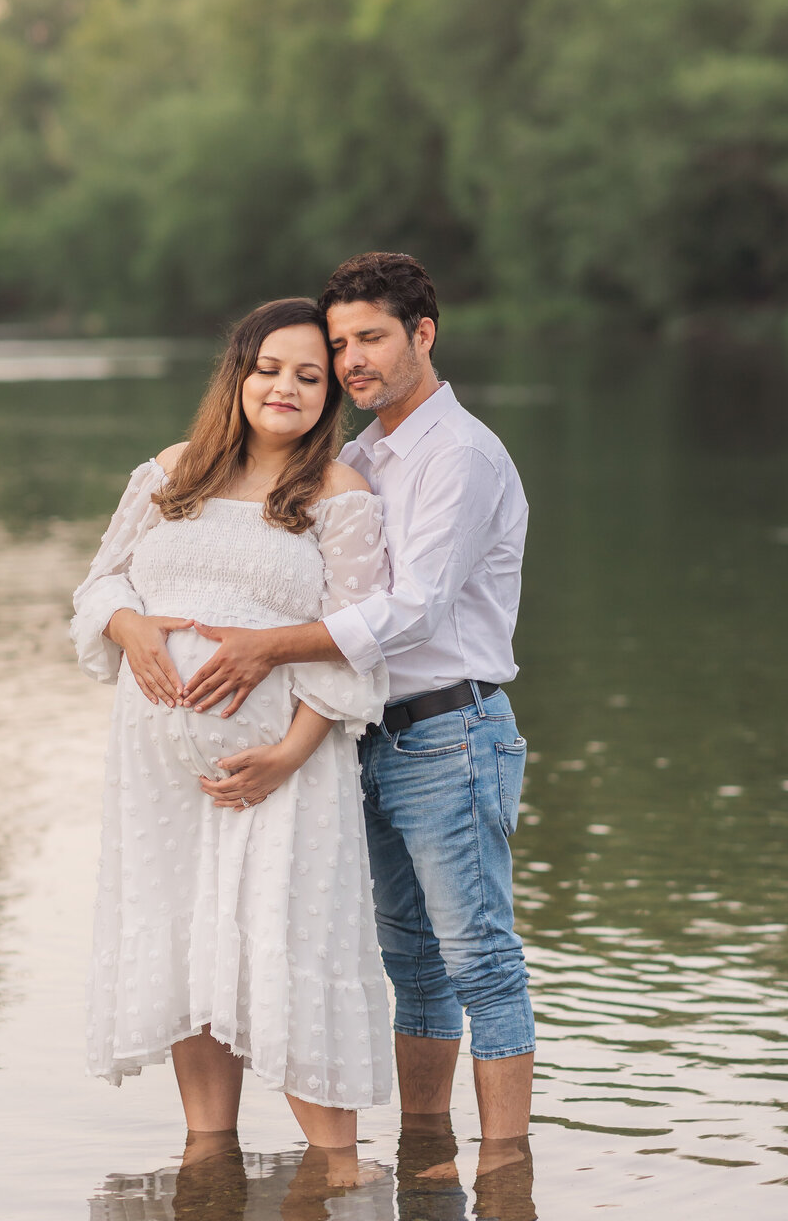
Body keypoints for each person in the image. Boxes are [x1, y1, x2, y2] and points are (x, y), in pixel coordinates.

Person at [179, 253, 536, 1148]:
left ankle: (505, 1177)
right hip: (371, 738)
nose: (352, 363)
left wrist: (266, 649)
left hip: (453, 730)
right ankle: (426, 1154)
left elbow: (412, 611)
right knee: (409, 967)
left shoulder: (460, 453)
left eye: (371, 339)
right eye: (340, 345)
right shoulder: (360, 457)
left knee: (481, 964)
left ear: (424, 333)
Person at [70, 298, 393, 1154]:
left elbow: (356, 642)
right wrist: (135, 630)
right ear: (239, 375)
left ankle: (338, 1181)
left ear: (331, 395)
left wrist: (287, 754)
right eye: (269, 369)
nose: (285, 387)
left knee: (281, 957)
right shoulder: (172, 472)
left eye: (310, 376)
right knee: (190, 955)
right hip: (159, 780)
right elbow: (100, 587)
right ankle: (207, 1169)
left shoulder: (340, 493)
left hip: (280, 778)